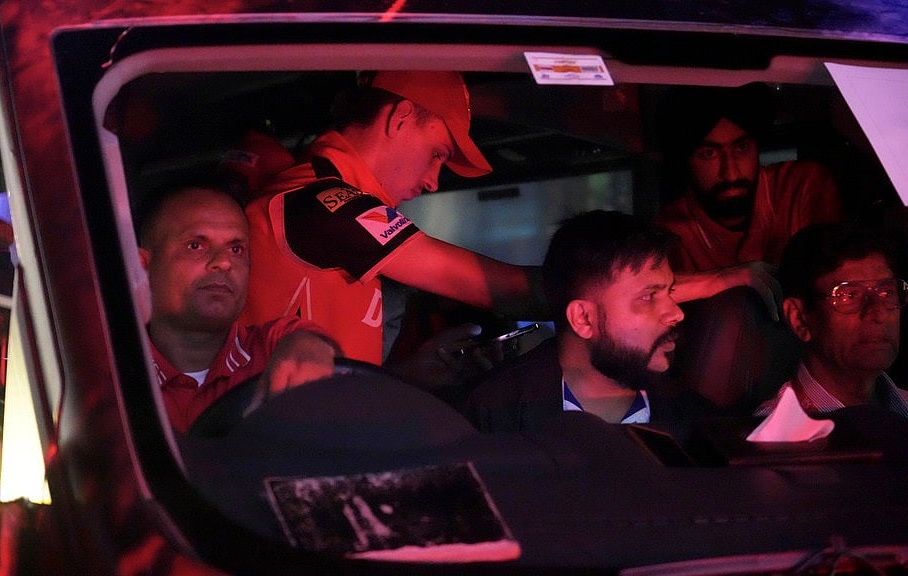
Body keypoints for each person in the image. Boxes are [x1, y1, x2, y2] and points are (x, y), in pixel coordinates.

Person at [241, 70, 545, 375]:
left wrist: (410, 373)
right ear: (400, 117)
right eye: (437, 154)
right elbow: (507, 289)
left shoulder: (324, 200)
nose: (433, 181)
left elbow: (334, 380)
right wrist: (583, 293)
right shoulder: (322, 201)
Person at [652, 82, 845, 409]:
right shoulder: (671, 231)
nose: (730, 170)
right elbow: (640, 299)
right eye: (709, 153)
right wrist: (727, 280)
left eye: (740, 148)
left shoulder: (802, 187)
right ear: (688, 159)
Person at [462, 211, 716, 441]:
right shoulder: (493, 417)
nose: (676, 313)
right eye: (648, 296)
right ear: (583, 318)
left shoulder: (696, 423)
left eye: (670, 292)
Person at [135, 179, 340, 433]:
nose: (223, 262)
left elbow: (307, 341)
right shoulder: (104, 374)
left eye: (236, 249)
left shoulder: (271, 350)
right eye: (195, 245)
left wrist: (311, 347)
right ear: (141, 267)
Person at [755, 222, 908, 418]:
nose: (877, 314)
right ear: (799, 318)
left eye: (887, 293)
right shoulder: (776, 436)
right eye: (849, 296)